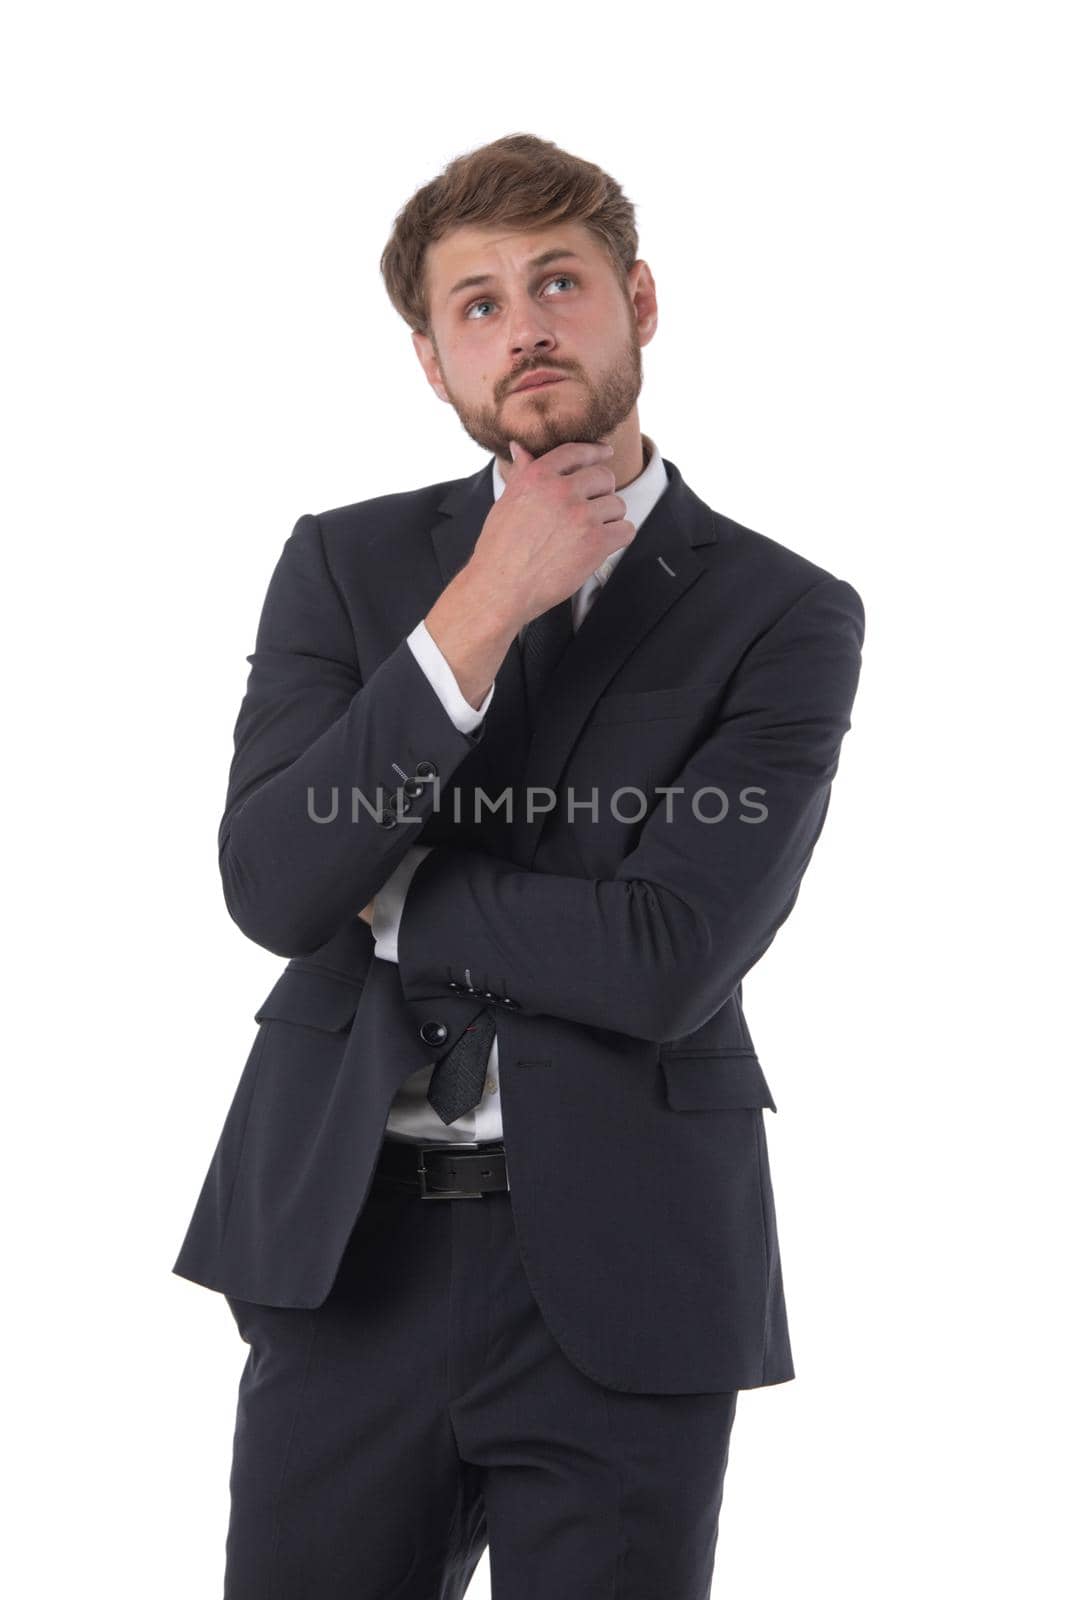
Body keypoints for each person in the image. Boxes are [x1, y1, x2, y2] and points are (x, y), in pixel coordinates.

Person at [173, 131, 865, 1598]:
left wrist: (396, 890)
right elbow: (271, 885)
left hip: (630, 1269)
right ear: (432, 361)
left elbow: (666, 951)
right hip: (342, 1255)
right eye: (476, 303)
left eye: (560, 280)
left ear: (641, 302)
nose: (526, 322)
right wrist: (478, 611)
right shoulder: (345, 568)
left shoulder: (786, 610)